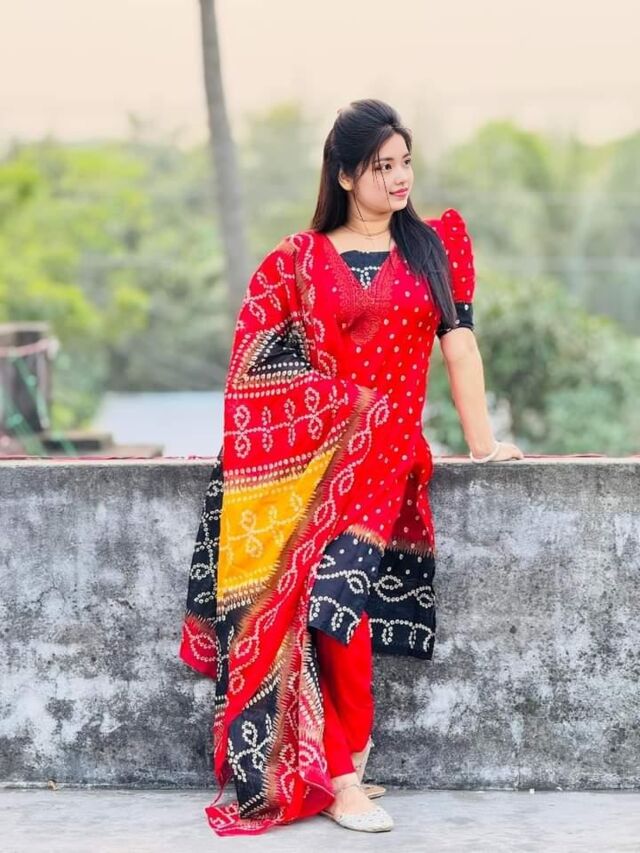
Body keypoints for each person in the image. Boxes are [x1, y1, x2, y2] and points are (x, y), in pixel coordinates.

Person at [178, 98, 524, 837]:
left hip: (388, 462)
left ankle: (349, 759)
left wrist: (484, 445)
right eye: (381, 167)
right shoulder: (300, 260)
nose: (399, 179)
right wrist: (328, 411)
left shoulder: (434, 248)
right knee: (321, 609)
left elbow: (459, 349)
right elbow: (252, 363)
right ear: (344, 175)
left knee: (337, 602)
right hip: (313, 467)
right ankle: (341, 778)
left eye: (405, 163)